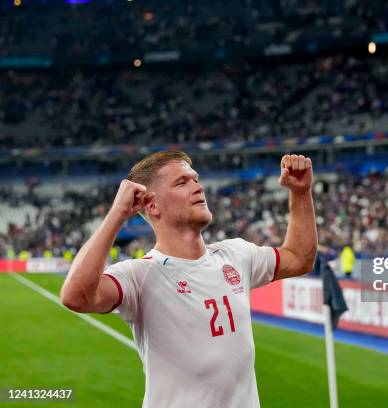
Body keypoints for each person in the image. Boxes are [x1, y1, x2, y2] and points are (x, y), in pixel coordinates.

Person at [60, 151, 318, 408]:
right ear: (152, 205)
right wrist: (117, 214)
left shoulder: (235, 254)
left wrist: (300, 192)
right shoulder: (138, 275)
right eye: (182, 183)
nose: (198, 187)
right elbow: (76, 297)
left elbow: (298, 258)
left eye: (195, 179)